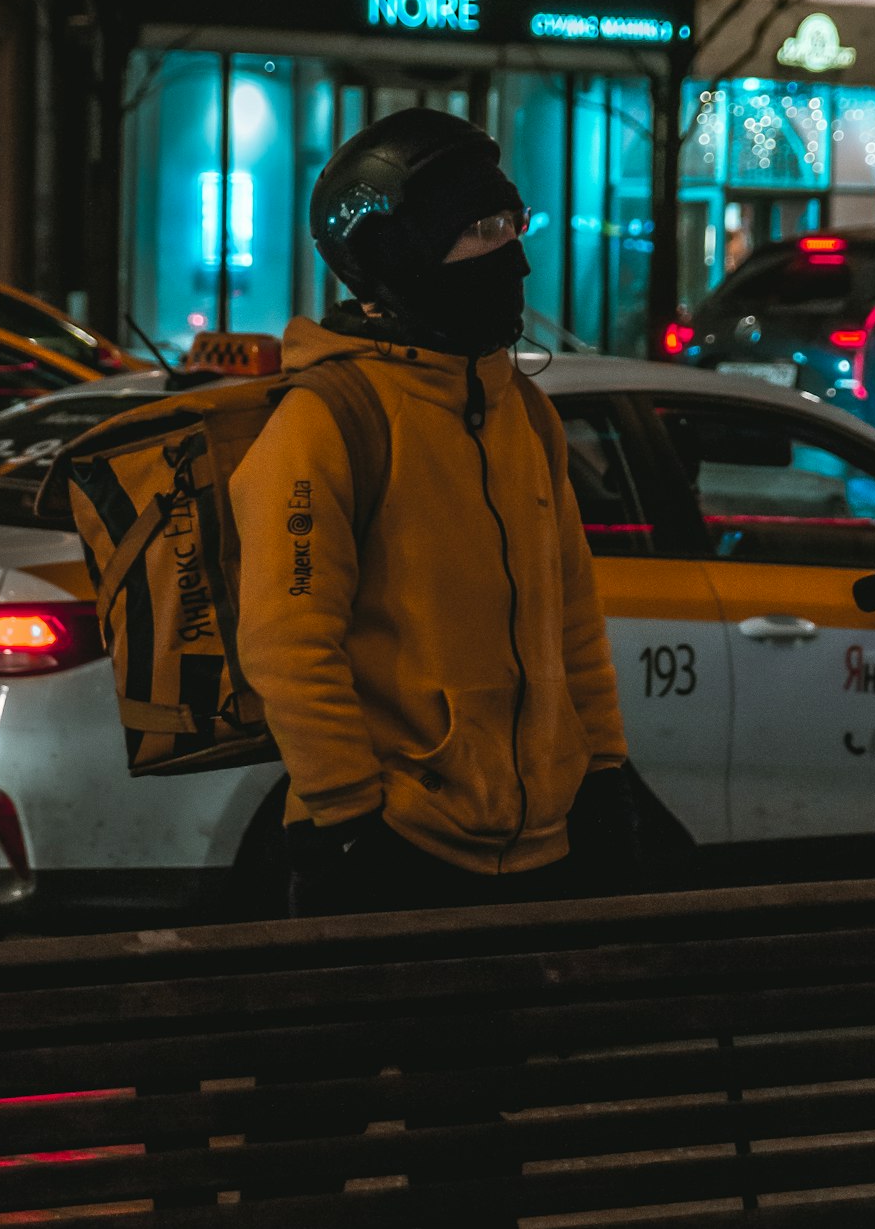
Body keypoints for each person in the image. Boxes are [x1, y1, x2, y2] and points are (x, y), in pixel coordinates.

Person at [229, 106, 666, 919]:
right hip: (397, 850)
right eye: (481, 230)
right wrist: (352, 819)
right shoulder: (331, 419)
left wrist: (603, 773)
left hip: (539, 845)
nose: (515, 257)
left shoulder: (522, 412)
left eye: (514, 222)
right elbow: (288, 644)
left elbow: (571, 617)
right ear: (403, 257)